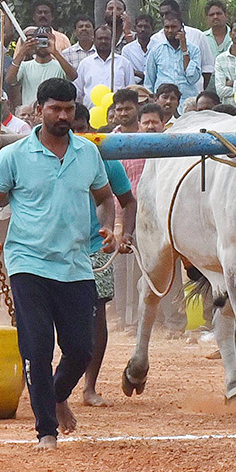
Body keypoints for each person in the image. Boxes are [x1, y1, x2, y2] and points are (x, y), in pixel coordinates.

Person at [0, 77, 117, 450]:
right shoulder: (14, 155)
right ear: (39, 110)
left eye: (69, 109)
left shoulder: (87, 153)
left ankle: (56, 396)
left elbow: (106, 198)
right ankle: (46, 431)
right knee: (37, 348)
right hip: (28, 262)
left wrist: (108, 228)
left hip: (75, 264)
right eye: (55, 108)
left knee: (81, 349)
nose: (63, 115)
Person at [69, 102, 136, 407]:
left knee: (96, 317)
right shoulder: (40, 159)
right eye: (72, 130)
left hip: (96, 247)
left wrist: (125, 234)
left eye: (81, 128)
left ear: (90, 129)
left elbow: (127, 201)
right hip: (49, 248)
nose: (76, 134)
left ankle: (89, 387)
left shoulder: (103, 159)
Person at [144, 13, 202, 108]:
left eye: (174, 27)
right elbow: (149, 82)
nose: (170, 30)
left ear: (181, 28)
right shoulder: (156, 50)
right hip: (162, 104)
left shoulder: (194, 50)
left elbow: (192, 78)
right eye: (167, 27)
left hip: (187, 104)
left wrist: (184, 51)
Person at [7, 28, 76, 107]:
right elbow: (9, 80)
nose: (41, 45)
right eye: (38, 41)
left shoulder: (60, 66)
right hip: (31, 113)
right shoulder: (24, 66)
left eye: (44, 41)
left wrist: (55, 52)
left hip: (53, 111)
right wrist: (23, 52)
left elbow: (73, 76)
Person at [75, 25, 136, 108]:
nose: (103, 41)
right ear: (94, 40)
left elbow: (131, 90)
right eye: (100, 38)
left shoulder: (124, 63)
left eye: (107, 38)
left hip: (118, 114)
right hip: (91, 115)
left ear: (112, 40)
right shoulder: (85, 64)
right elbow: (78, 93)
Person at [121, 14, 155, 83]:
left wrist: (137, 73)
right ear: (135, 28)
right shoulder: (127, 50)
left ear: (152, 28)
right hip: (135, 87)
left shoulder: (158, 47)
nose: (142, 29)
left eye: (146, 27)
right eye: (140, 26)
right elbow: (127, 72)